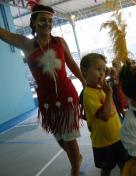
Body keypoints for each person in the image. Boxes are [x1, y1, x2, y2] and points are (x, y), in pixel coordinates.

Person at [0, 5, 86, 176]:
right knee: (60, 137)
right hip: (47, 101)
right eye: (42, 20)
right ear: (33, 22)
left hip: (66, 96)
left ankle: (75, 170)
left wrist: (85, 83)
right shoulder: (26, 44)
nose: (47, 24)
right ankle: (76, 157)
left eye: (49, 21)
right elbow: (4, 34)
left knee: (69, 138)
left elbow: (72, 64)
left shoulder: (59, 42)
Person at [80, 53, 128, 176]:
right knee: (106, 169)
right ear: (85, 71)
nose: (102, 73)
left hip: (118, 136)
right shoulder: (89, 94)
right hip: (103, 143)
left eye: (103, 69)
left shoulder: (103, 87)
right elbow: (105, 116)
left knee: (124, 164)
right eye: (97, 69)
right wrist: (109, 94)